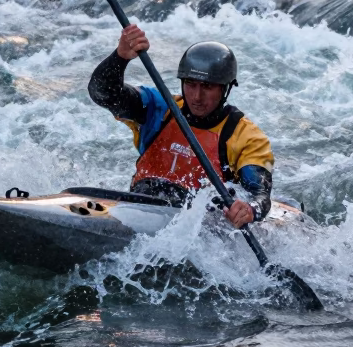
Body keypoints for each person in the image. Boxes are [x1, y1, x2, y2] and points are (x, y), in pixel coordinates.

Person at [88, 25, 273, 228]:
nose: (196, 96)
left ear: (226, 88)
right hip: (139, 210)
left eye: (207, 87)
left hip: (198, 229)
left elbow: (259, 194)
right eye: (190, 84)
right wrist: (120, 57)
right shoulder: (158, 108)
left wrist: (249, 209)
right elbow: (103, 94)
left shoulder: (246, 136)